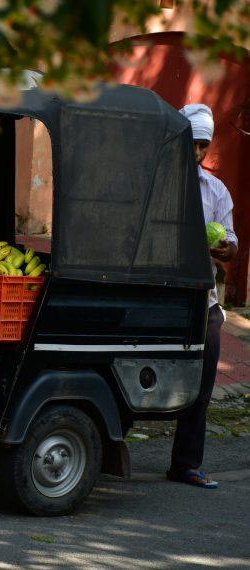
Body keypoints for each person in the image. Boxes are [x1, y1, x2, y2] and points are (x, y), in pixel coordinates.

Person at [167, 103, 238, 489]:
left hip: (204, 300)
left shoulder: (216, 191)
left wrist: (225, 250)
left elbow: (231, 244)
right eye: (192, 144)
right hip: (165, 298)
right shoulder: (161, 182)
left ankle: (186, 464)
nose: (197, 153)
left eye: (203, 146)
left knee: (202, 384)